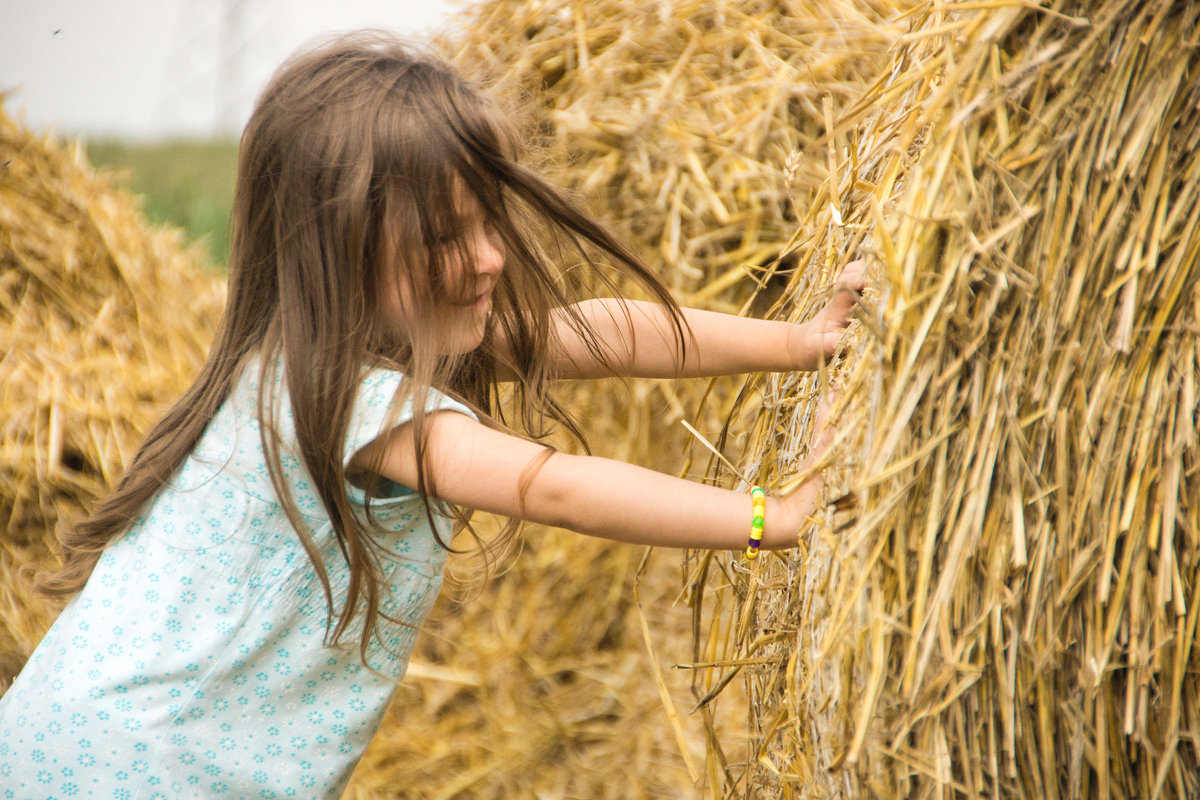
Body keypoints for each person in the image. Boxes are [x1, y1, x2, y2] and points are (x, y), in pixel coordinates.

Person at [0, 32, 866, 799]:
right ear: (337, 245)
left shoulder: (312, 360)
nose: (491, 257)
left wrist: (802, 341)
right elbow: (552, 487)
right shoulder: (358, 400)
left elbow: (600, 330)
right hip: (145, 773)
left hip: (74, 742)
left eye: (491, 222)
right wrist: (773, 517)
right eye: (447, 238)